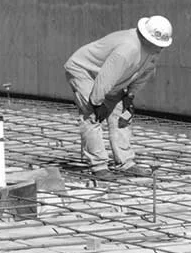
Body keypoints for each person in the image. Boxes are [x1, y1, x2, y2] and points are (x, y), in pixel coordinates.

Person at [64, 16, 173, 173]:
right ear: (147, 38)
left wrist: (129, 96)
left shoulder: (152, 51)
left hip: (111, 79)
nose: (161, 48)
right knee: (92, 116)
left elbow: (144, 73)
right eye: (158, 44)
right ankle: (99, 166)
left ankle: (125, 162)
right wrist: (96, 103)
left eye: (162, 45)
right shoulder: (128, 49)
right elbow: (106, 76)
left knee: (123, 116)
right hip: (84, 70)